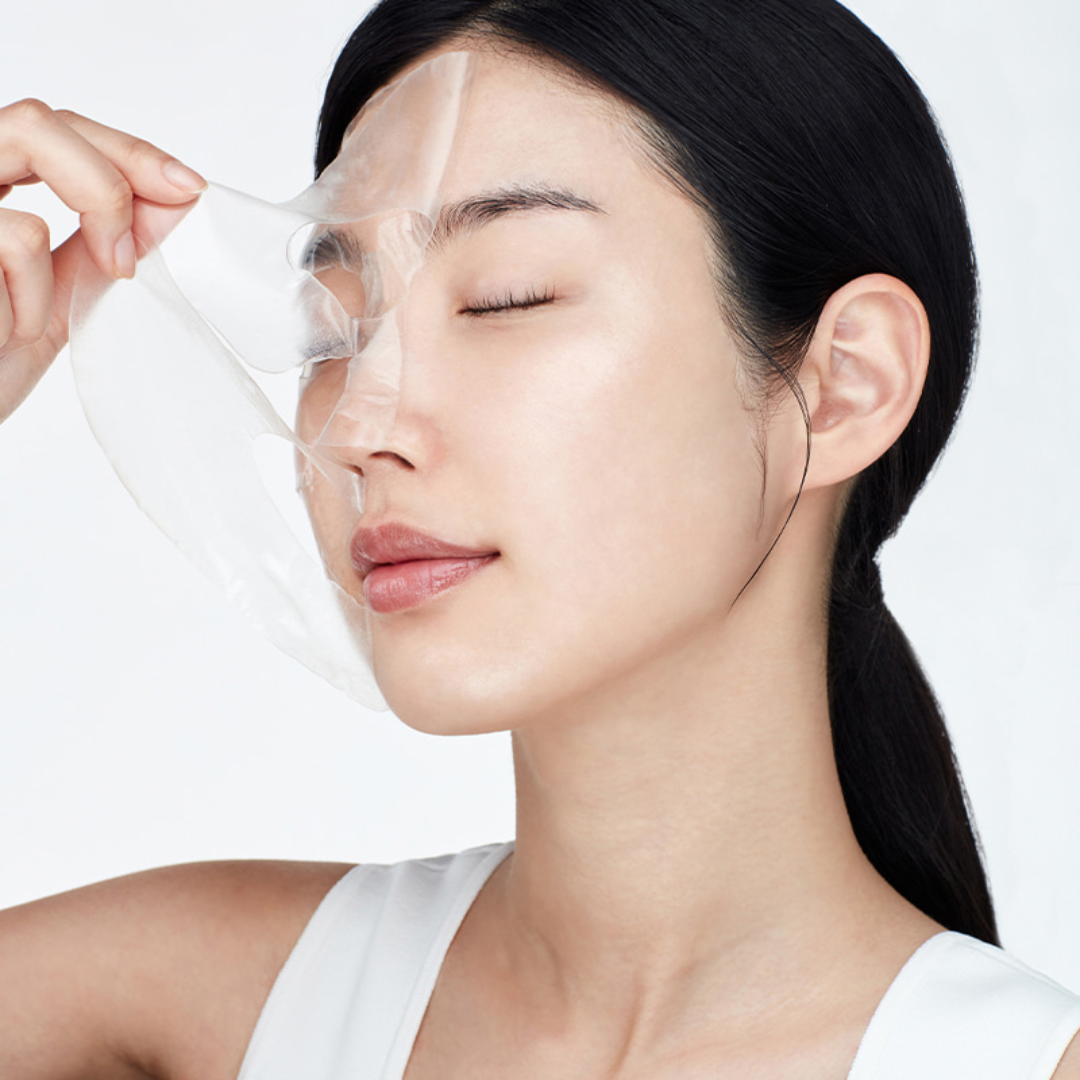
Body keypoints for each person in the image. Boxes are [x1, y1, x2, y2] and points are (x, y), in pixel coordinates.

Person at [1, 0, 1077, 1076]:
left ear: (845, 381)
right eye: (334, 329)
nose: (357, 428)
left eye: (506, 298)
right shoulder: (190, 1005)